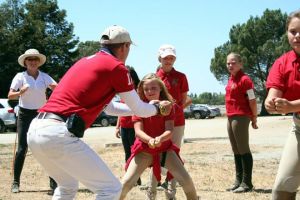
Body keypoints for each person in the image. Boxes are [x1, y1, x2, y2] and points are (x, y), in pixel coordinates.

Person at [26, 25, 172, 200]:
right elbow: (140, 108)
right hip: (57, 133)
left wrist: (150, 109)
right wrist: (157, 108)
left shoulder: (85, 61)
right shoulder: (117, 67)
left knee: (66, 186)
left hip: (36, 129)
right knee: (110, 190)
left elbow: (111, 108)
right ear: (125, 46)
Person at [119, 73, 198, 200]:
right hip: (144, 150)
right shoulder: (139, 107)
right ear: (141, 90)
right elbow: (138, 131)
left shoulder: (167, 106)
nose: (150, 91)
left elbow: (169, 130)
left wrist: (160, 139)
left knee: (186, 180)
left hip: (165, 150)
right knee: (126, 182)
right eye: (146, 89)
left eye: (153, 88)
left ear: (161, 88)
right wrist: (150, 140)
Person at [8, 49, 58, 194]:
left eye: (35, 59)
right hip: (24, 115)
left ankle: (53, 183)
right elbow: (10, 95)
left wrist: (53, 100)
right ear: (25, 62)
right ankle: (16, 183)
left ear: (39, 62)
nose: (33, 61)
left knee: (46, 147)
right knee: (22, 149)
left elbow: (59, 88)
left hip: (41, 114)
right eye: (30, 59)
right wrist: (20, 92)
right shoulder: (20, 76)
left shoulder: (44, 77)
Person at [265, 10, 300, 200]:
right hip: (299, 128)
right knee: (282, 189)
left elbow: (290, 105)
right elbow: (274, 92)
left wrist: (291, 105)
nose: (297, 36)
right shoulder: (282, 62)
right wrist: (271, 103)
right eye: (293, 31)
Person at [155, 44, 191, 198]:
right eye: (165, 58)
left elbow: (183, 100)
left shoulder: (181, 77)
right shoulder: (155, 77)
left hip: (177, 122)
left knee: (174, 156)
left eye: (171, 57)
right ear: (160, 59)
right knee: (156, 154)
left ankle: (171, 192)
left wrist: (174, 110)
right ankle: (153, 188)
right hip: (158, 122)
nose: (168, 60)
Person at [225, 52, 258, 193]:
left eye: (233, 62)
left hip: (241, 116)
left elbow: (252, 100)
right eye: (228, 63)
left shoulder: (245, 80)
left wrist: (254, 117)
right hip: (230, 116)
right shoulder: (230, 79)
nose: (230, 65)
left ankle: (247, 183)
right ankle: (238, 181)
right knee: (236, 149)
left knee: (243, 149)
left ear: (240, 64)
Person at [115, 66, 142, 186]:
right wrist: (117, 127)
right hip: (124, 127)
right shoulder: (123, 92)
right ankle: (130, 177)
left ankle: (135, 178)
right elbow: (120, 111)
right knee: (127, 153)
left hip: (134, 127)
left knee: (134, 153)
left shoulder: (138, 91)